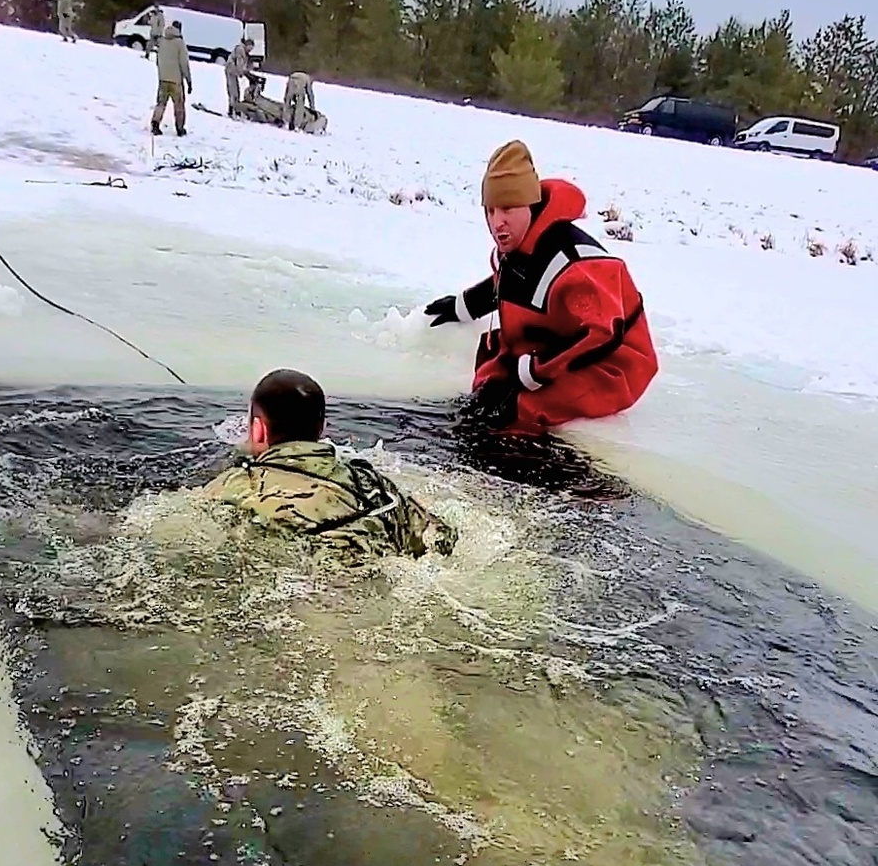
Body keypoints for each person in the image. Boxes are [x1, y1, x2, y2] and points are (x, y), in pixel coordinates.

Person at [425, 140, 658, 434]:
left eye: (508, 208)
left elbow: (602, 333)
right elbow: (511, 285)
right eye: (491, 211)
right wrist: (463, 305)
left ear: (530, 206)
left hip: (610, 363)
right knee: (486, 391)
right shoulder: (520, 247)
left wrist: (532, 372)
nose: (498, 223)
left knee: (520, 411)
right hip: (554, 343)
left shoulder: (575, 263)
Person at [202, 369, 457, 559]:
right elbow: (441, 538)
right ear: (321, 428)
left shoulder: (234, 485)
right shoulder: (369, 483)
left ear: (258, 431)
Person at [151, 18, 191, 135]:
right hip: (176, 81)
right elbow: (184, 63)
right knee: (179, 105)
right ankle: (180, 128)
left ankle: (155, 123)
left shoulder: (162, 41)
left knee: (161, 103)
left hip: (163, 79)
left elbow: (158, 60)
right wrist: (188, 80)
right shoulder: (180, 43)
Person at [224, 33, 254, 118]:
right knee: (233, 90)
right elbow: (240, 64)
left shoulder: (244, 52)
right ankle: (231, 109)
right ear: (247, 45)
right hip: (231, 70)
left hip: (234, 71)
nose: (250, 50)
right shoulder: (240, 50)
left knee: (236, 90)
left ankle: (235, 107)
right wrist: (245, 73)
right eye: (250, 48)